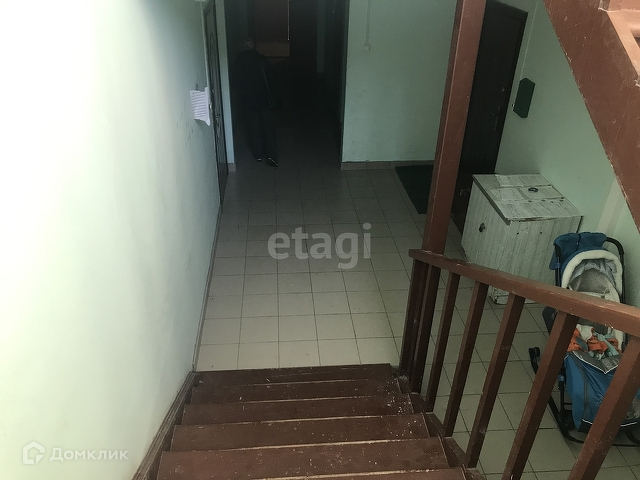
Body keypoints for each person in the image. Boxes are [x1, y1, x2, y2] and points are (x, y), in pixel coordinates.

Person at [233, 37, 279, 167]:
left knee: (254, 128)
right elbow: (272, 78)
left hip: (248, 101)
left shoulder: (237, 63)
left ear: (241, 47)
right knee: (268, 128)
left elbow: (235, 84)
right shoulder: (262, 60)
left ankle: (258, 155)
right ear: (253, 46)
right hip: (264, 99)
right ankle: (271, 156)